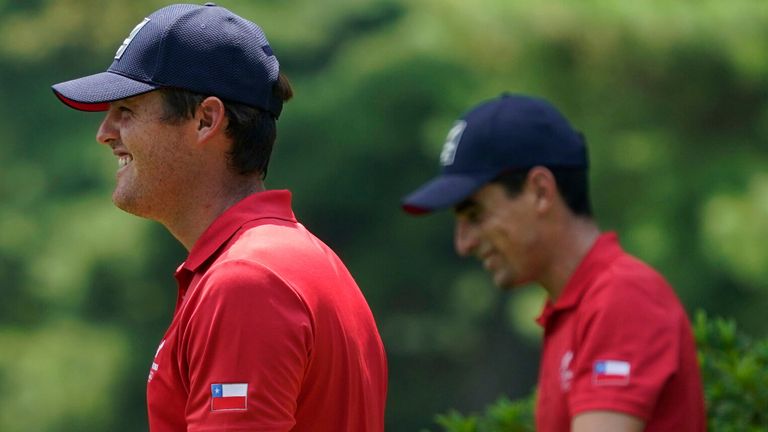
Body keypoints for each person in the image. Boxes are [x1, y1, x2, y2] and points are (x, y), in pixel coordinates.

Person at [51, 3, 387, 431]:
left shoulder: (248, 279)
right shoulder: (293, 260)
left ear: (206, 120)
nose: (105, 132)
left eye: (127, 109)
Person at [401, 93, 706, 431]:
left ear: (541, 191)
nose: (464, 243)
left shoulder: (622, 296)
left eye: (476, 214)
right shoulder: (578, 308)